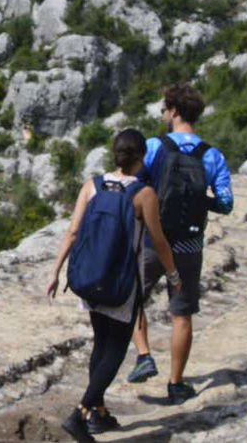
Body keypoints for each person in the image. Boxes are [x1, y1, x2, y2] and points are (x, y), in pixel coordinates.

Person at [46, 129, 180, 442]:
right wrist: (174, 276)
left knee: (100, 343)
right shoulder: (144, 194)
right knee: (116, 351)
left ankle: (98, 414)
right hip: (122, 284)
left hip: (90, 279)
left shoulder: (91, 186)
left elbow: (73, 232)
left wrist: (55, 272)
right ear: (142, 157)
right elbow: (158, 242)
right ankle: (80, 413)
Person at [125, 83, 234, 405]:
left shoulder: (155, 147)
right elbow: (226, 204)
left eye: (163, 109)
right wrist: (201, 200)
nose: (162, 114)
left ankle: (144, 355)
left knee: (131, 302)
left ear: (173, 111)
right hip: (189, 245)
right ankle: (176, 384)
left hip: (151, 239)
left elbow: (134, 181)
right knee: (182, 314)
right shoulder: (212, 154)